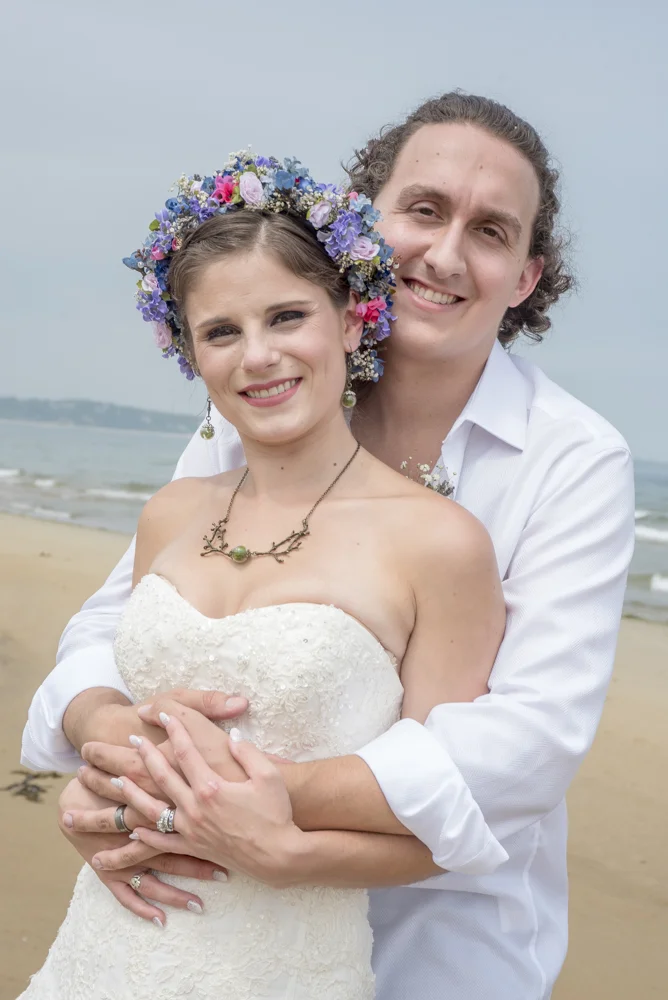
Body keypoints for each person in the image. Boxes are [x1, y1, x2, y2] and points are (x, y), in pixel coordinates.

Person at [22, 93, 636, 999]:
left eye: (492, 231)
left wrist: (232, 799)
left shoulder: (574, 460)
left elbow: (526, 741)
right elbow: (121, 617)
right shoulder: (267, 398)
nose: (445, 252)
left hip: (445, 931)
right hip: (179, 904)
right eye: (423, 210)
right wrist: (114, 750)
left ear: (526, 278)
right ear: (363, 222)